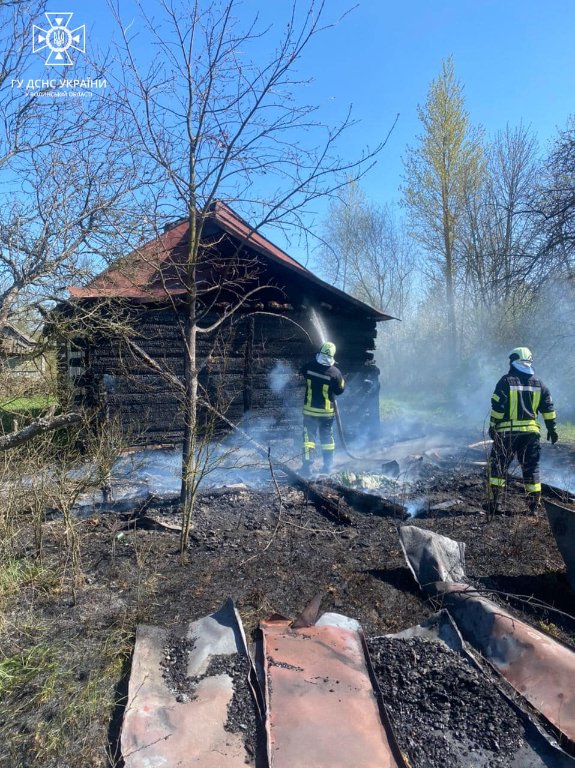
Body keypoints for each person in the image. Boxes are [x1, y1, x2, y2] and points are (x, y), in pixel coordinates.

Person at [488, 347, 558, 516]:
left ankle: (495, 503)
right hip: (531, 435)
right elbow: (548, 408)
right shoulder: (540, 384)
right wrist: (552, 428)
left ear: (513, 361)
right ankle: (533, 506)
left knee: (498, 467)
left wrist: (492, 426)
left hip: (507, 433)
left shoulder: (506, 381)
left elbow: (497, 406)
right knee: (531, 469)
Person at [300, 341, 345, 477]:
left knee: (309, 439)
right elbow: (340, 390)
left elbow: (303, 372)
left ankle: (307, 468)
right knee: (327, 439)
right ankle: (328, 466)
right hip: (326, 414)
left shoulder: (308, 367)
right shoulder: (335, 373)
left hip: (309, 411)